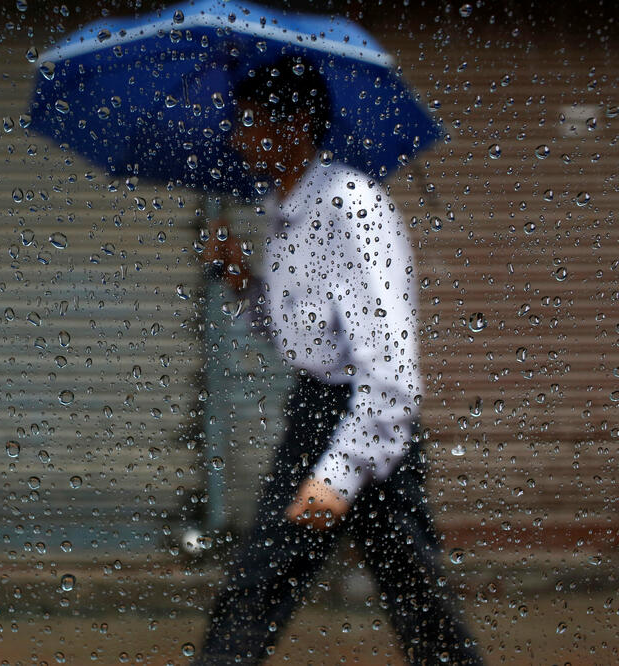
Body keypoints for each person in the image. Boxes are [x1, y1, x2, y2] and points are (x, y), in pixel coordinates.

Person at [194, 58, 484, 665]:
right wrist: (238, 276)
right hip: (318, 410)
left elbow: (391, 369)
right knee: (408, 604)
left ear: (296, 123)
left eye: (249, 121)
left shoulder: (352, 206)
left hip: (365, 420)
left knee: (270, 584)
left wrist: (339, 474)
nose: (238, 138)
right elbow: (299, 340)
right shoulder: (285, 214)